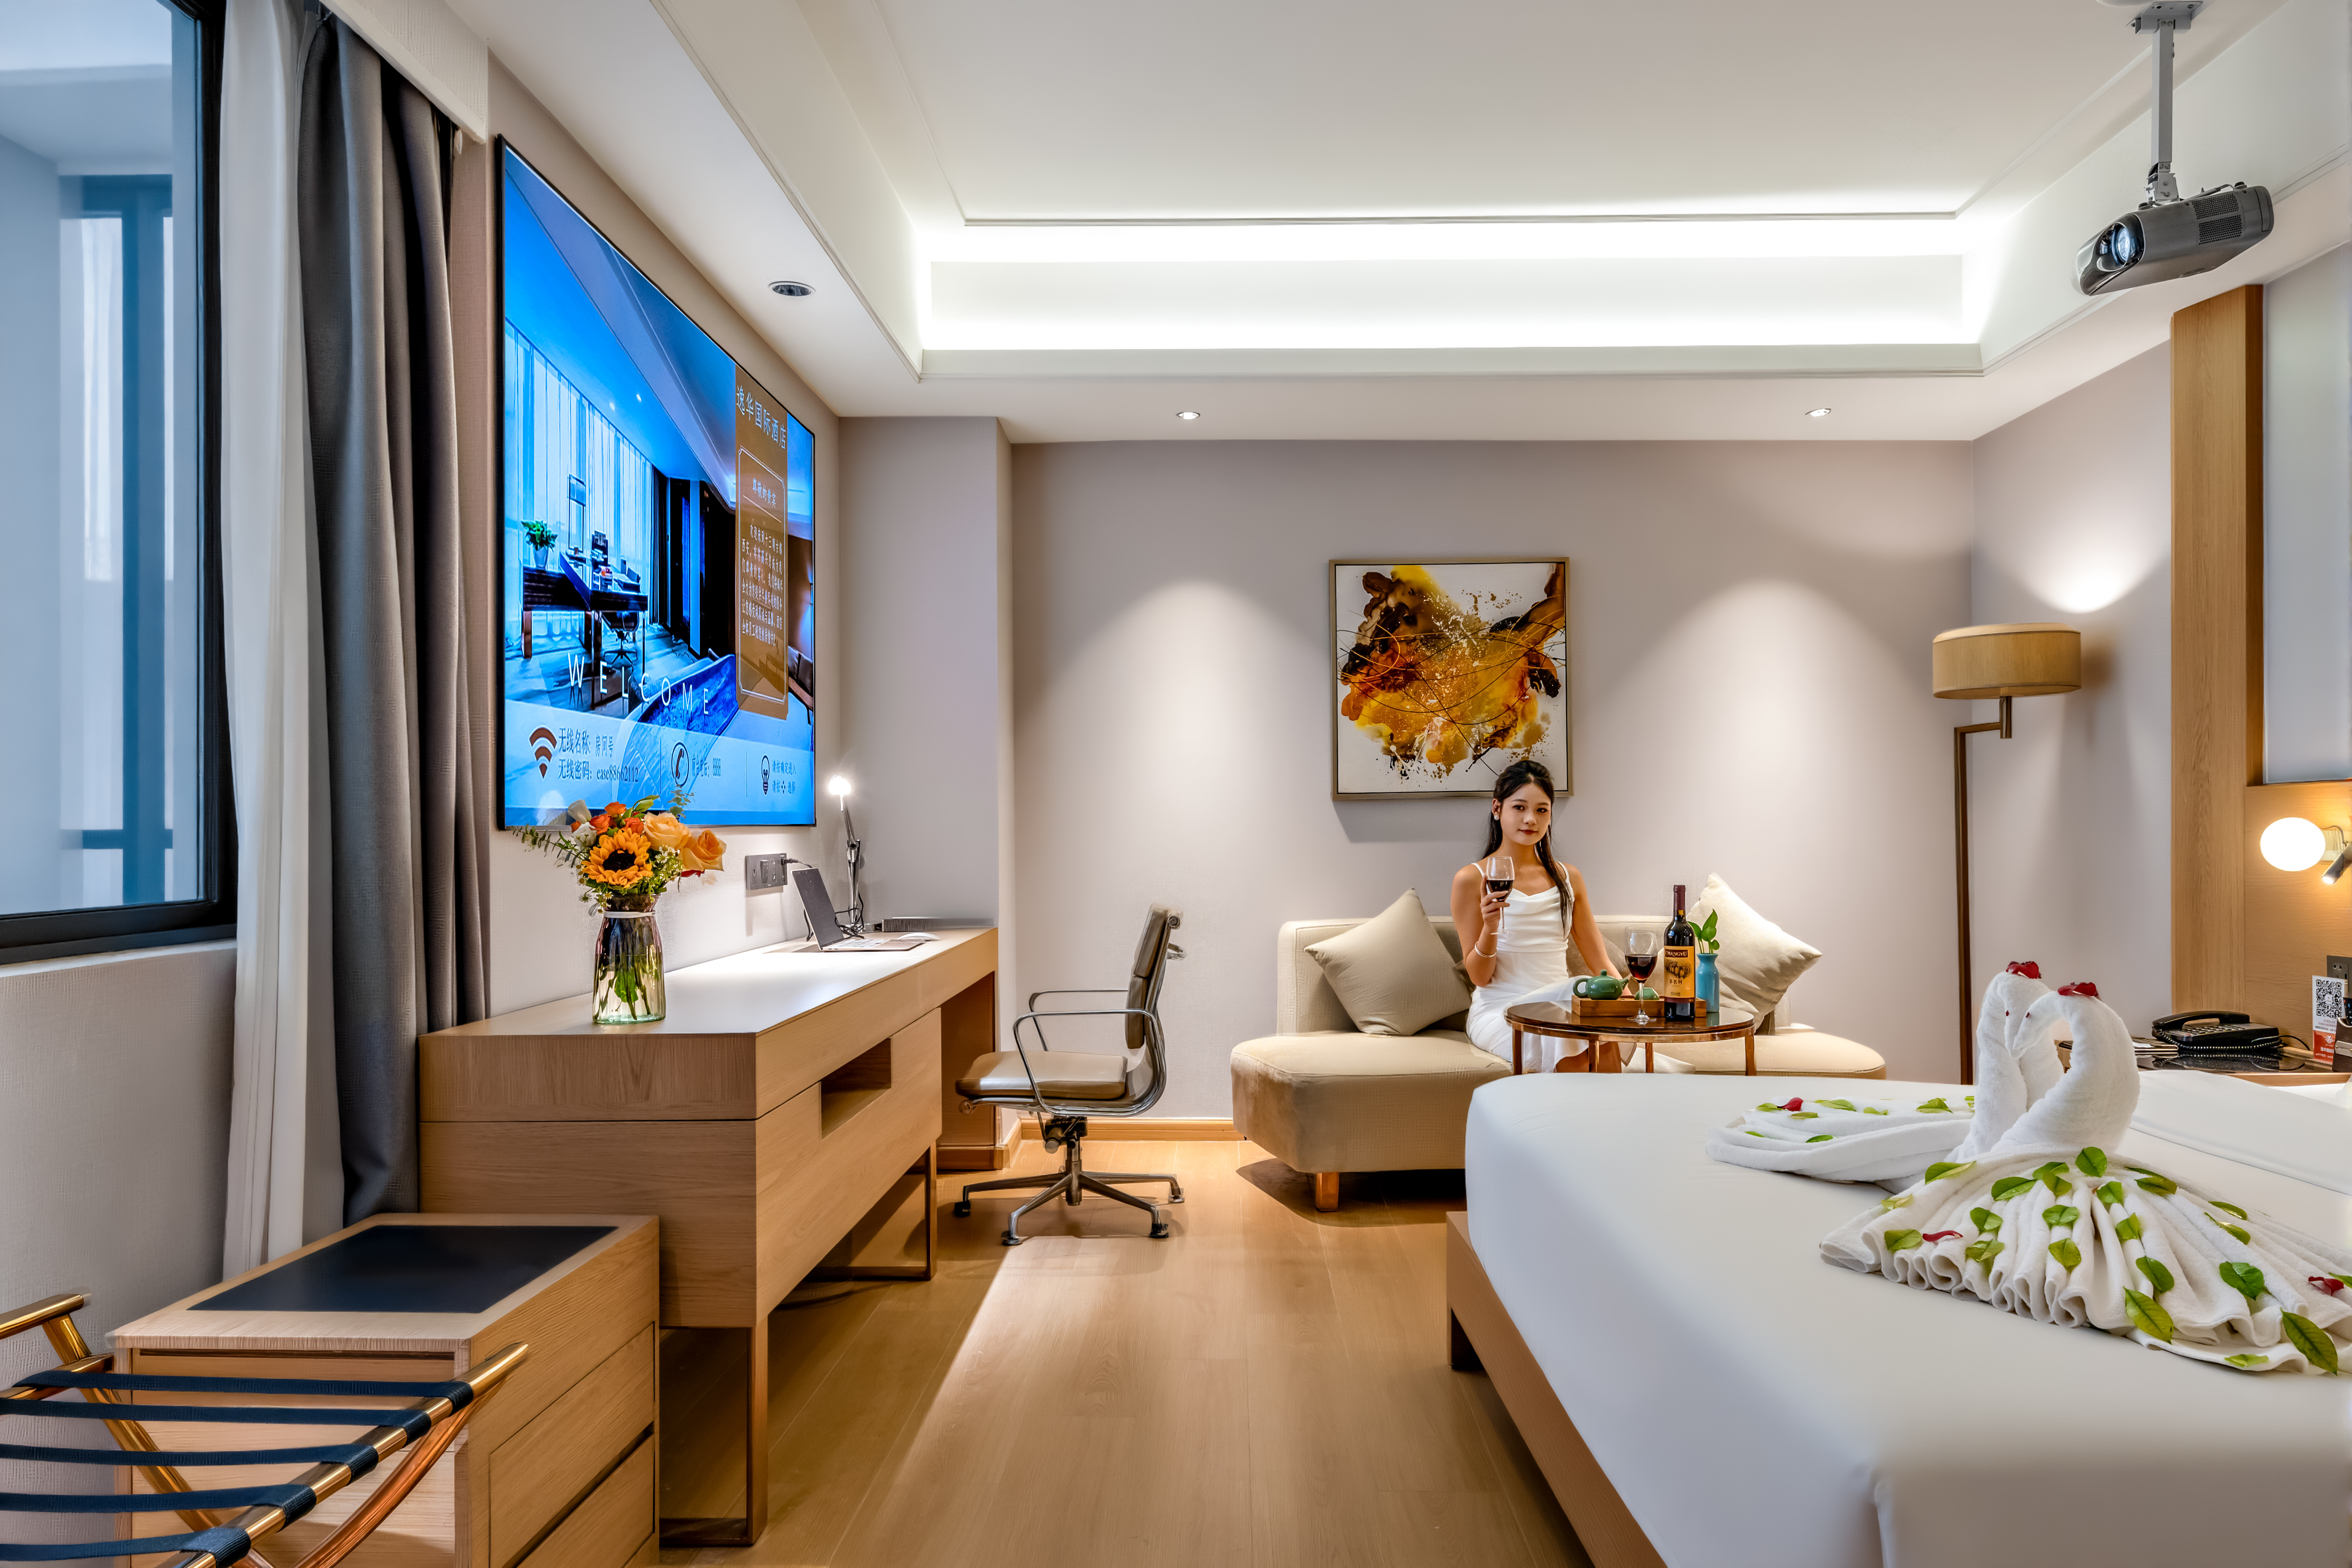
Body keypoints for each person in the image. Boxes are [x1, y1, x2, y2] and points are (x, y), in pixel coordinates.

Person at [1448, 759, 1618, 1071]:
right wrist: (1490, 927)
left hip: (1561, 1004)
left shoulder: (1569, 878)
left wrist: (1637, 1006)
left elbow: (1601, 963)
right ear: (1497, 809)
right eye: (1519, 808)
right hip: (1502, 1010)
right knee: (1572, 1041)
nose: (1531, 820)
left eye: (1542, 810)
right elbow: (1480, 978)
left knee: (1602, 1028)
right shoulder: (1471, 880)